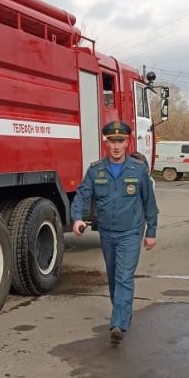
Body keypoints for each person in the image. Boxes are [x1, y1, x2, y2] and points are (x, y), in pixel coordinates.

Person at [71, 121, 158, 344]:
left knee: (124, 276)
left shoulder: (138, 171)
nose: (117, 146)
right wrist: (78, 218)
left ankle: (118, 322)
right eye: (112, 141)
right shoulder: (95, 170)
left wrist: (151, 231)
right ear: (106, 143)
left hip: (131, 232)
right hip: (107, 232)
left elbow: (149, 203)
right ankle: (123, 311)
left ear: (127, 142)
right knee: (113, 277)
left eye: (121, 141)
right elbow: (82, 195)